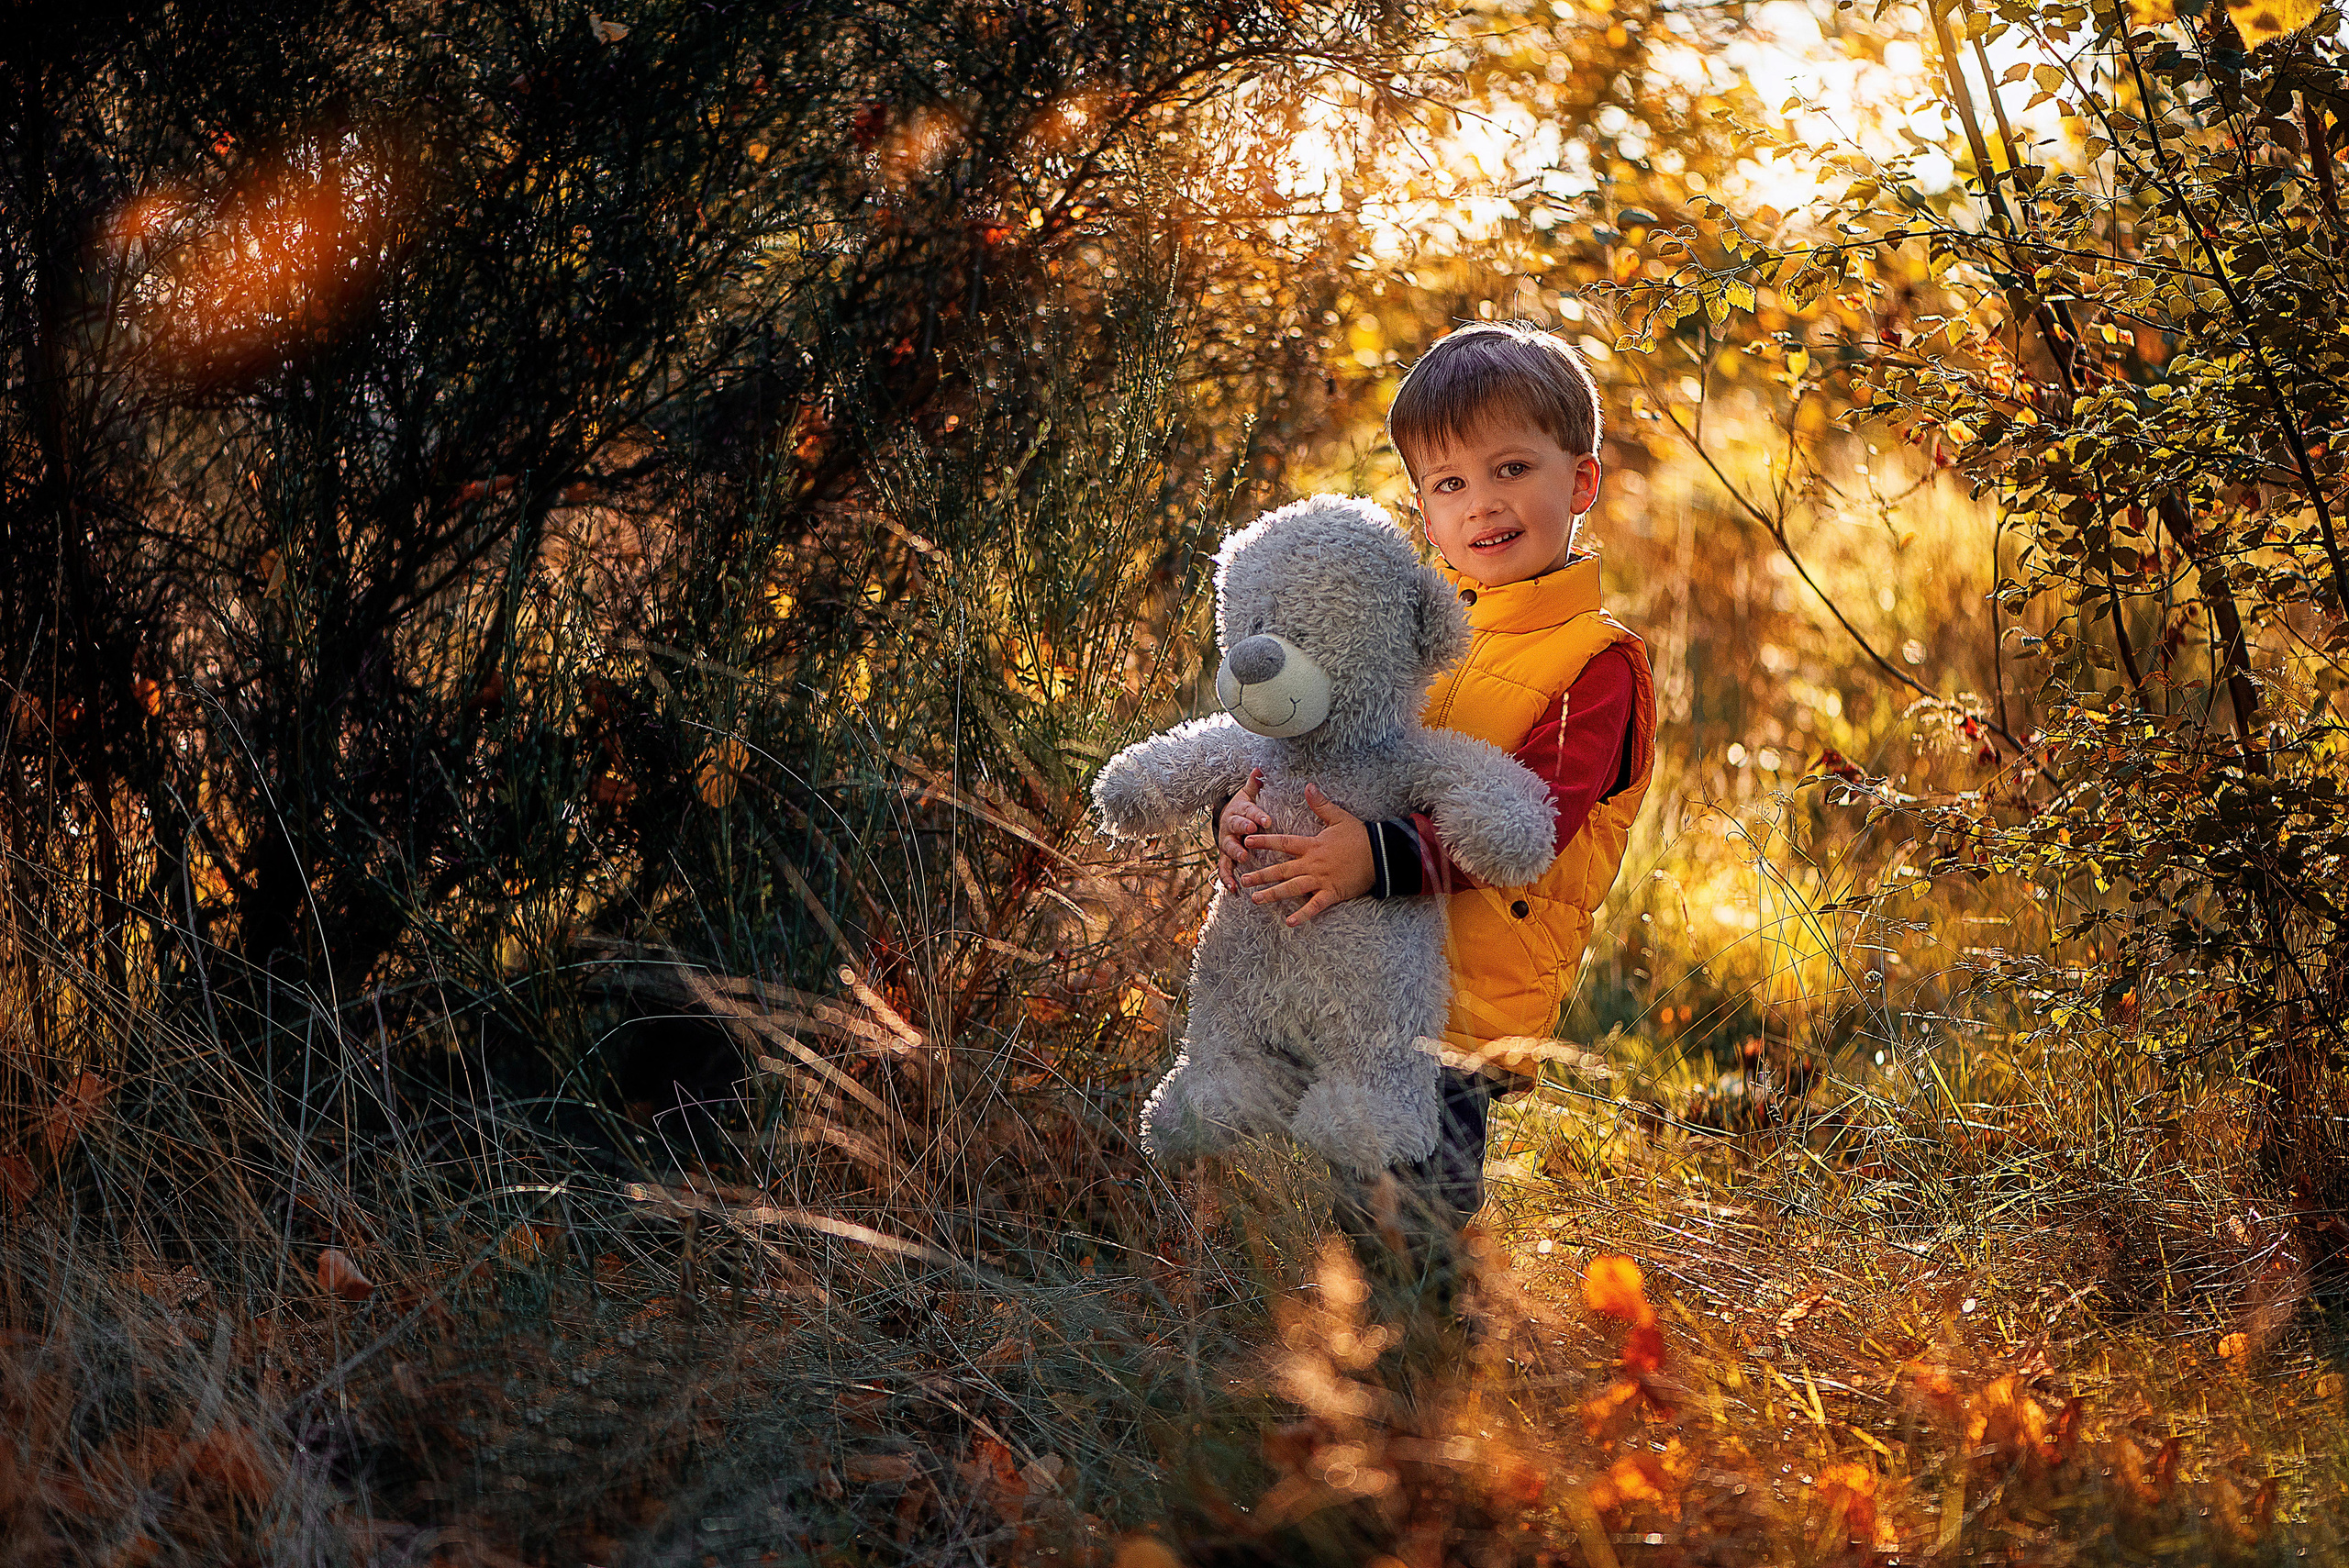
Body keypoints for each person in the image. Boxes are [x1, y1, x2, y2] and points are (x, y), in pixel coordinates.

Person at [1216, 321, 1655, 1290]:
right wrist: (1245, 816)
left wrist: (1372, 857)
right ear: (1421, 507)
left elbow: (1525, 829)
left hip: (1463, 1004)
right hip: (1351, 978)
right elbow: (1320, 750)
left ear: (1580, 481)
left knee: (1417, 1224)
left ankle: (1438, 1364)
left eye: (1511, 468)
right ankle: (1352, 1365)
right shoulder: (1406, 630)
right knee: (1336, 1214)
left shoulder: (1595, 665)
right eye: (1450, 482)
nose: (1482, 502)